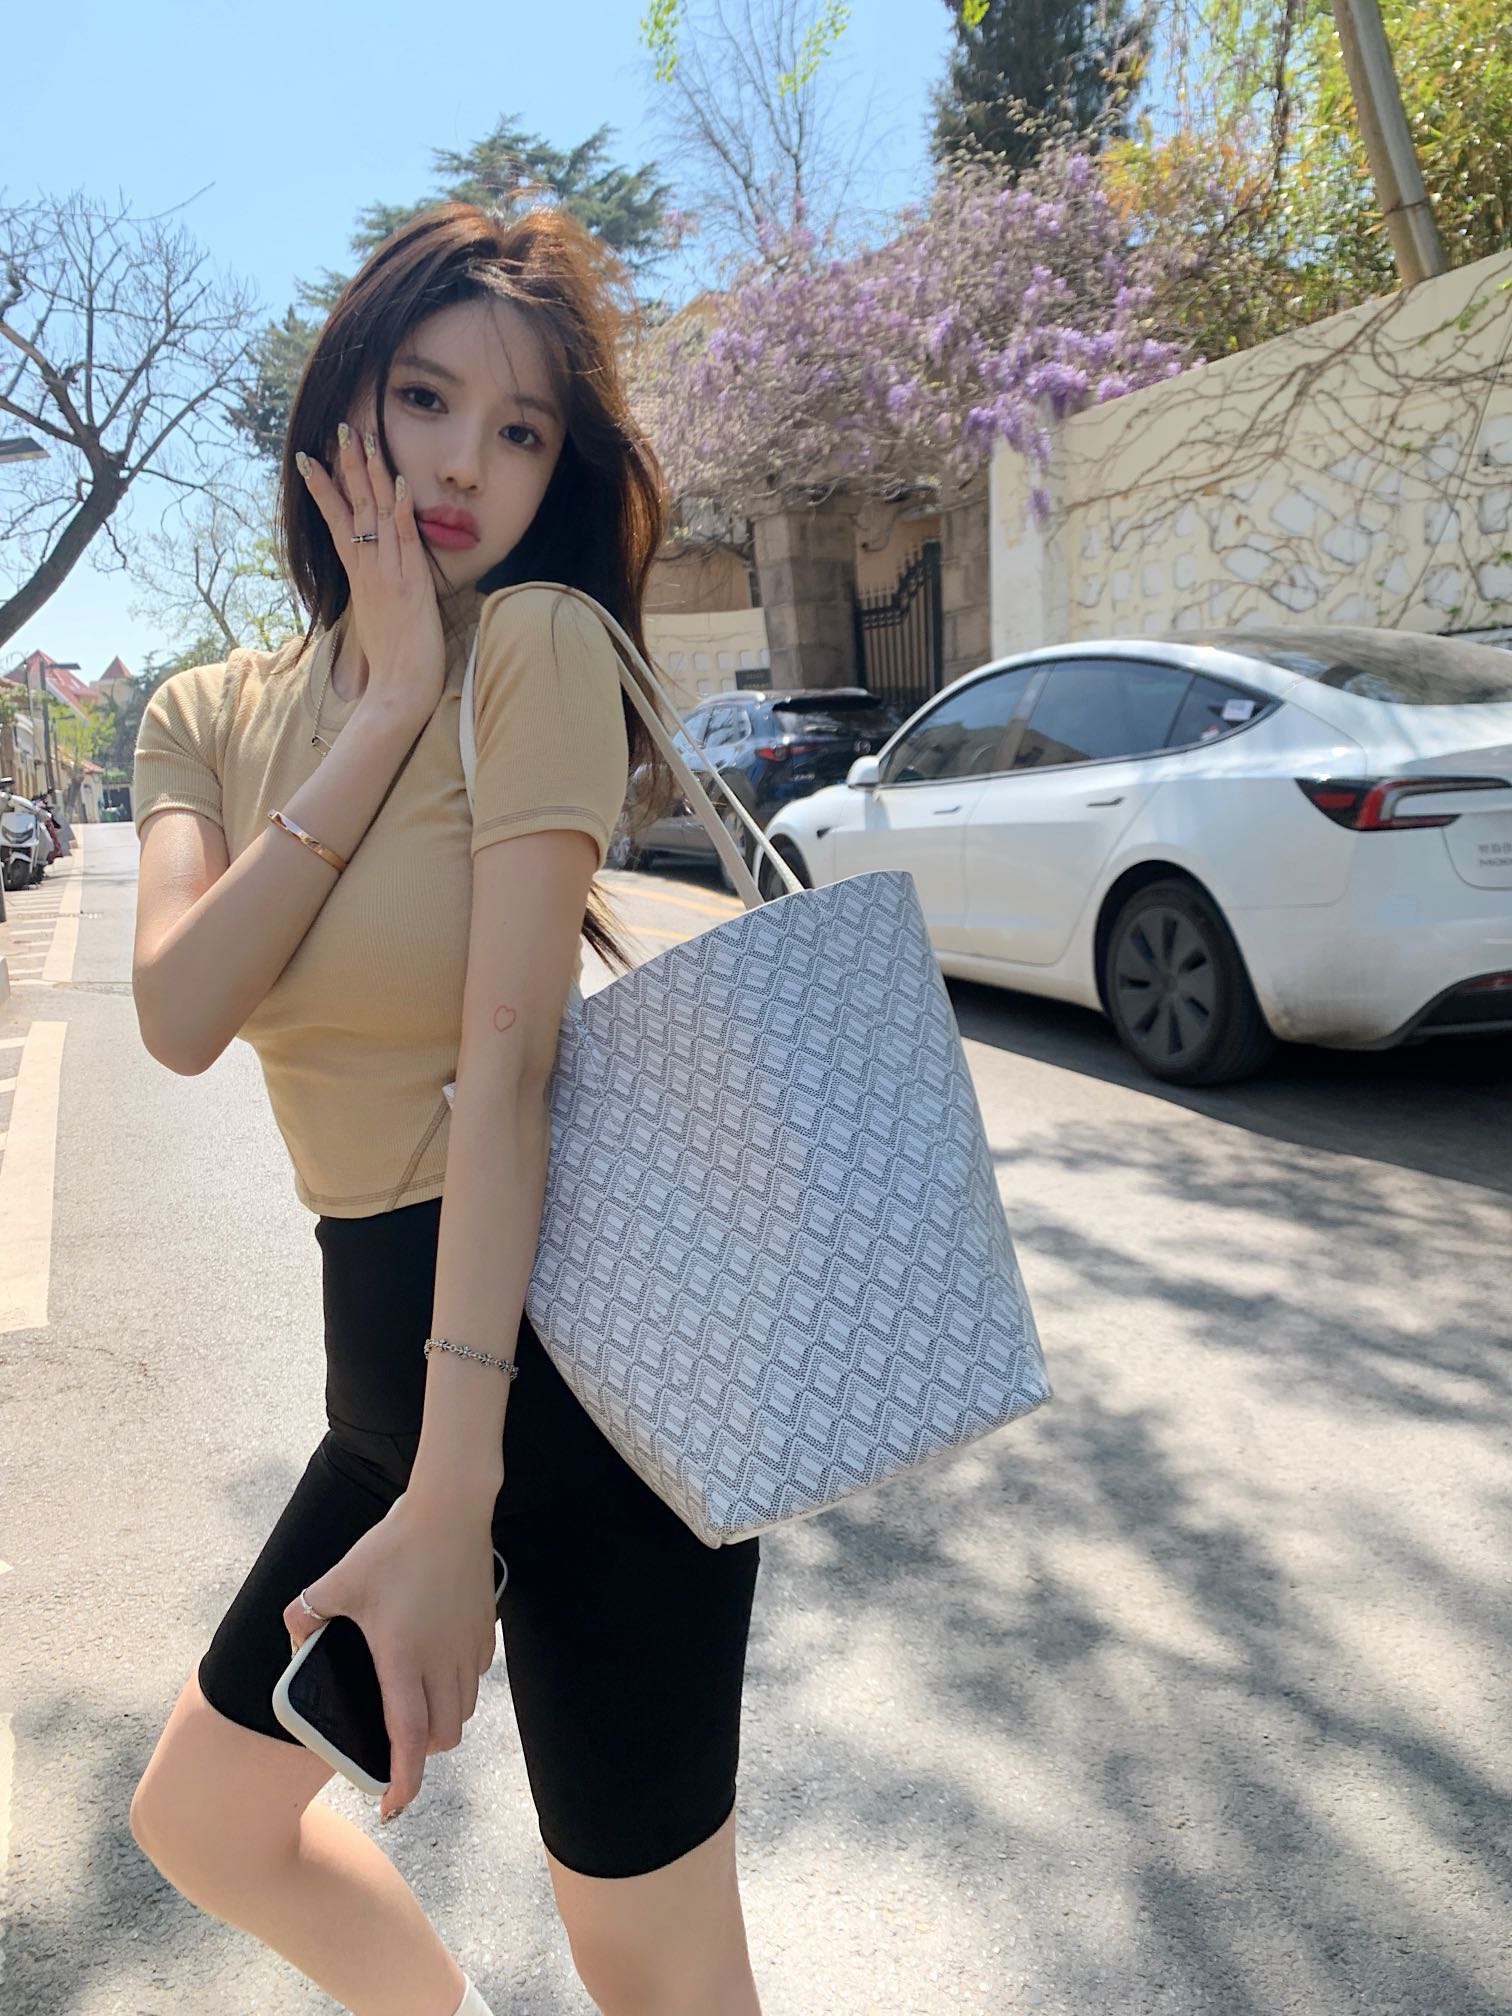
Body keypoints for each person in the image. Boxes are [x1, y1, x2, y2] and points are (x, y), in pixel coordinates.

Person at [126, 200, 765, 2016]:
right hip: (389, 1378)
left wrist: (453, 1491)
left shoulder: (538, 643)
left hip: (578, 1380)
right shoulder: (208, 712)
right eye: (425, 399)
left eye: (522, 429)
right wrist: (384, 701)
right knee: (207, 1821)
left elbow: (513, 1072)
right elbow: (178, 1010)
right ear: (345, 397)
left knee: (655, 1973)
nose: (465, 465)